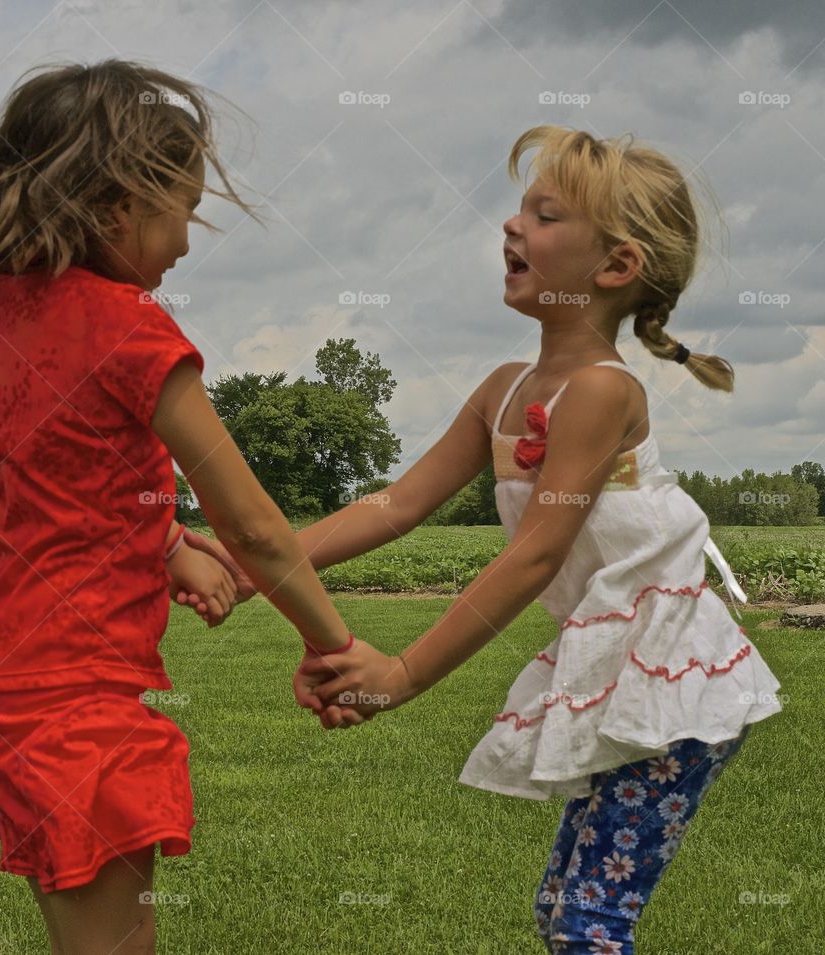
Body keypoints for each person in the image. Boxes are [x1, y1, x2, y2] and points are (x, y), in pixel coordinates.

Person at [190, 125, 783, 953]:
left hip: (676, 685)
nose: (513, 227)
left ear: (614, 268)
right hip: (616, 674)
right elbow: (397, 503)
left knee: (589, 922)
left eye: (545, 215)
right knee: (562, 912)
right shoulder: (503, 390)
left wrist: (400, 674)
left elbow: (533, 554)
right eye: (520, 210)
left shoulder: (603, 390)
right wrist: (252, 564)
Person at [0, 58, 369, 955]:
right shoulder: (132, 328)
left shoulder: (8, 312)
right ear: (118, 206)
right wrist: (333, 643)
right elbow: (256, 525)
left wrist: (167, 545)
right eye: (182, 207)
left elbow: (72, 484)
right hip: (73, 691)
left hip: (12, 674)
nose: (187, 240)